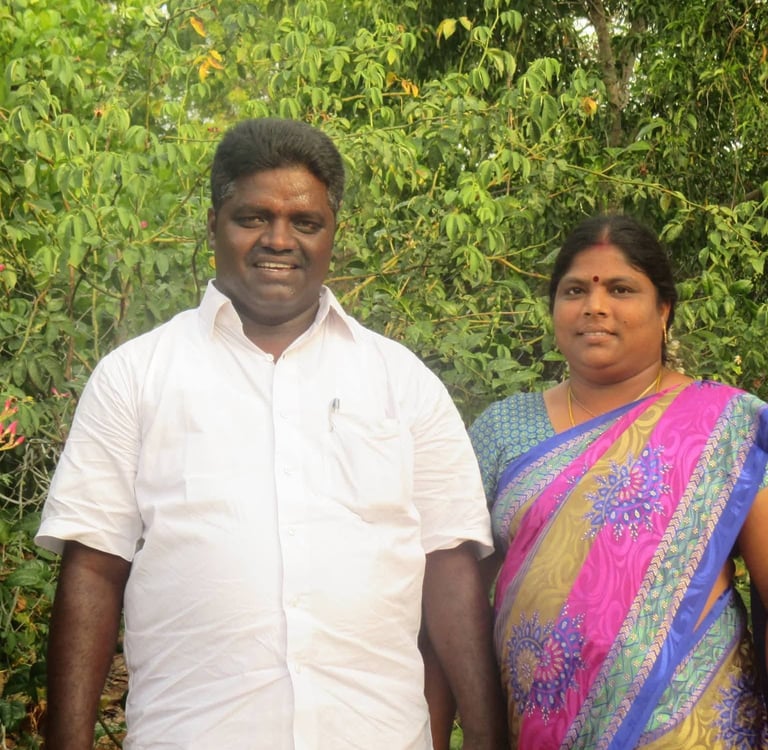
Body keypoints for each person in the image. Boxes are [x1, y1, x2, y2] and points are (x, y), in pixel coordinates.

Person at [36, 117, 507, 750]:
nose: (278, 240)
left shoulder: (402, 381)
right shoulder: (137, 375)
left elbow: (449, 571)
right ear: (213, 226)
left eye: (305, 222)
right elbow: (93, 569)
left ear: (332, 233)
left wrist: (486, 735)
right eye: (253, 217)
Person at [468, 214, 768, 748]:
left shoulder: (730, 425)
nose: (595, 307)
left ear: (664, 309)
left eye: (621, 289)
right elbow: (457, 593)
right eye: (575, 290)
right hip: (536, 731)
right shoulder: (504, 430)